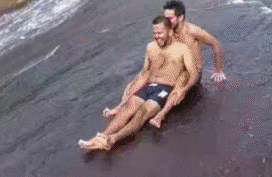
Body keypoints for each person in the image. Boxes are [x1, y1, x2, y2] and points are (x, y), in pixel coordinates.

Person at [79, 17, 198, 151]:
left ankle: (112, 139)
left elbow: (193, 73)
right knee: (127, 108)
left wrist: (184, 89)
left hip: (166, 89)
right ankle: (102, 136)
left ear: (170, 32)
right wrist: (125, 100)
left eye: (160, 33)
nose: (157, 36)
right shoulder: (150, 47)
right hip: (150, 86)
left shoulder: (182, 49)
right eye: (154, 33)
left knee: (142, 113)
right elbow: (144, 73)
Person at [162, 0, 226, 85]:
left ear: (180, 17)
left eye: (169, 18)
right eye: (164, 18)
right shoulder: (165, 32)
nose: (166, 22)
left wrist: (219, 71)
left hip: (192, 73)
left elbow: (215, 43)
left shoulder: (192, 31)